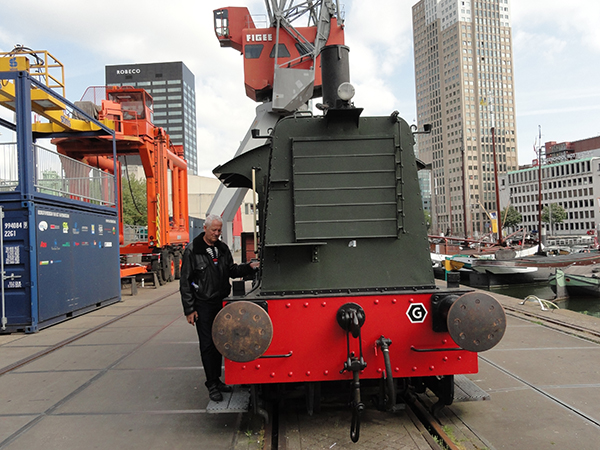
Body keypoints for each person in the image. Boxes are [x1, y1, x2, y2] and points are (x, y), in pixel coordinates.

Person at [180, 214, 259, 401]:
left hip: (221, 303)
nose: (217, 233)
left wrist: (249, 267)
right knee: (208, 345)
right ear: (205, 229)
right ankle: (212, 384)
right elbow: (185, 282)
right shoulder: (193, 251)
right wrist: (189, 309)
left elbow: (231, 270)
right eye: (214, 230)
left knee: (221, 343)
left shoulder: (222, 249)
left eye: (219, 230)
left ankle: (218, 380)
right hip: (203, 304)